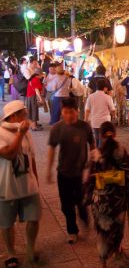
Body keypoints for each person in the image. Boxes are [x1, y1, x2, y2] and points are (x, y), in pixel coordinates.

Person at [85, 122, 129, 268]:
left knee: (102, 231)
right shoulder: (122, 151)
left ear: (100, 135)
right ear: (115, 133)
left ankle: (103, 261)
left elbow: (90, 179)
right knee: (117, 229)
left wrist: (88, 196)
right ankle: (116, 250)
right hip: (117, 201)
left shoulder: (95, 154)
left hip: (100, 201)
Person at [47, 97, 95, 244]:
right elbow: (51, 149)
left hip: (80, 173)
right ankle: (72, 230)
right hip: (63, 172)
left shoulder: (85, 127)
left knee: (81, 202)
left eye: (71, 112)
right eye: (65, 112)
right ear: (62, 112)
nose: (68, 115)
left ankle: (85, 220)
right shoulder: (57, 128)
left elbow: (92, 145)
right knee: (66, 205)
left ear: (77, 111)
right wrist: (48, 170)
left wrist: (93, 165)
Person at [0, 101, 41, 268]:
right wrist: (20, 133)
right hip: (7, 186)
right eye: (24, 114)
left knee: (34, 217)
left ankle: (31, 248)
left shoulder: (25, 132)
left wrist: (36, 181)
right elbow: (9, 154)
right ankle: (11, 254)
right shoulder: (1, 133)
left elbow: (31, 157)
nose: (27, 116)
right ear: (14, 116)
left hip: (28, 185)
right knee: (7, 222)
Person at [85, 79, 116, 147]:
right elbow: (112, 110)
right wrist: (114, 116)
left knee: (96, 138)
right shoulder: (108, 97)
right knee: (103, 139)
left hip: (95, 121)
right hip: (105, 122)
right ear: (105, 88)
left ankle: (98, 152)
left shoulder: (90, 97)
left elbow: (87, 110)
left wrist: (86, 120)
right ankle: (100, 153)